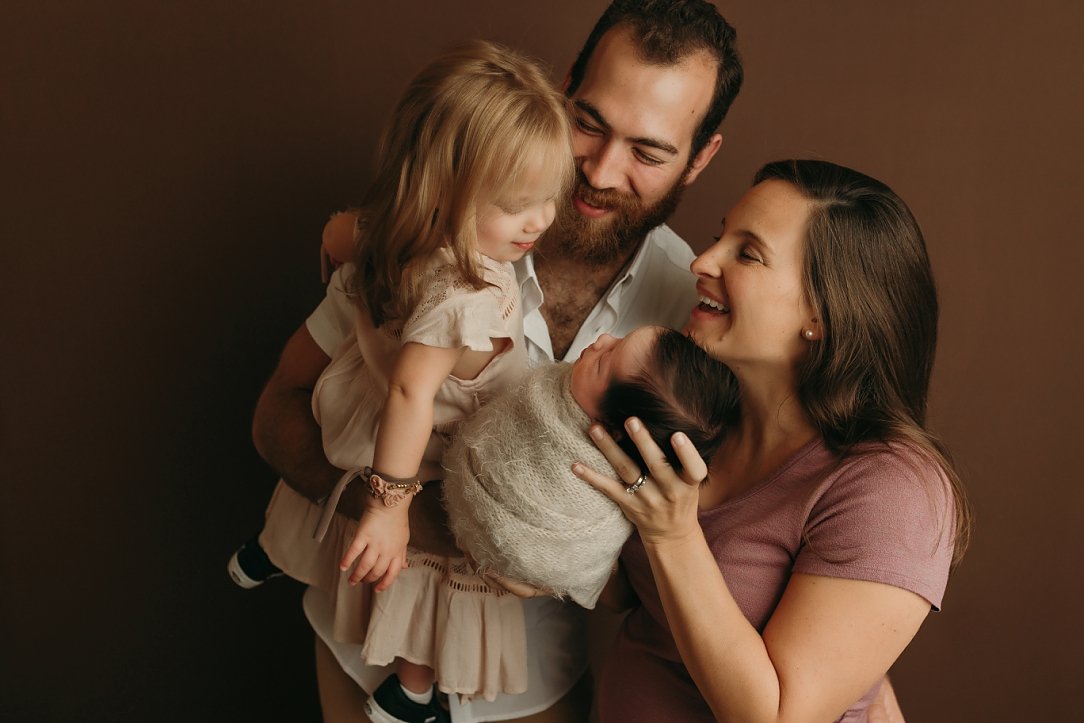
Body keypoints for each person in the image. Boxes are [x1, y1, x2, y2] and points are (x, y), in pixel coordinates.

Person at [249, 2, 744, 721]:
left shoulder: (691, 322)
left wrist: (538, 554)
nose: (601, 171)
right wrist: (389, 511)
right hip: (359, 647)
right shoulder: (440, 235)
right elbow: (275, 416)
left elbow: (659, 567)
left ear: (700, 156)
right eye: (590, 122)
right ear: (562, 87)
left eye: (649, 151)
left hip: (530, 686)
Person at [235, 39, 575, 722]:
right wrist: (390, 507)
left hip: (377, 407)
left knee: (344, 467)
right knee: (424, 555)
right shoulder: (468, 295)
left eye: (548, 198)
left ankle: (282, 559)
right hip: (421, 429)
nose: (538, 221)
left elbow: (359, 234)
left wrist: (342, 233)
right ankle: (413, 685)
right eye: (516, 204)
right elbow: (413, 394)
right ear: (444, 193)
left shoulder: (401, 236)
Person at [574, 159, 972, 721]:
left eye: (747, 253)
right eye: (719, 238)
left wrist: (672, 534)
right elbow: (623, 597)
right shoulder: (704, 417)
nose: (701, 261)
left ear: (822, 313)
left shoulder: (893, 489)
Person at [443, 326, 735, 608]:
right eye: (619, 339)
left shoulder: (615, 487)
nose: (603, 339)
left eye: (604, 361)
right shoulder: (568, 391)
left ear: (613, 429)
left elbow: (592, 563)